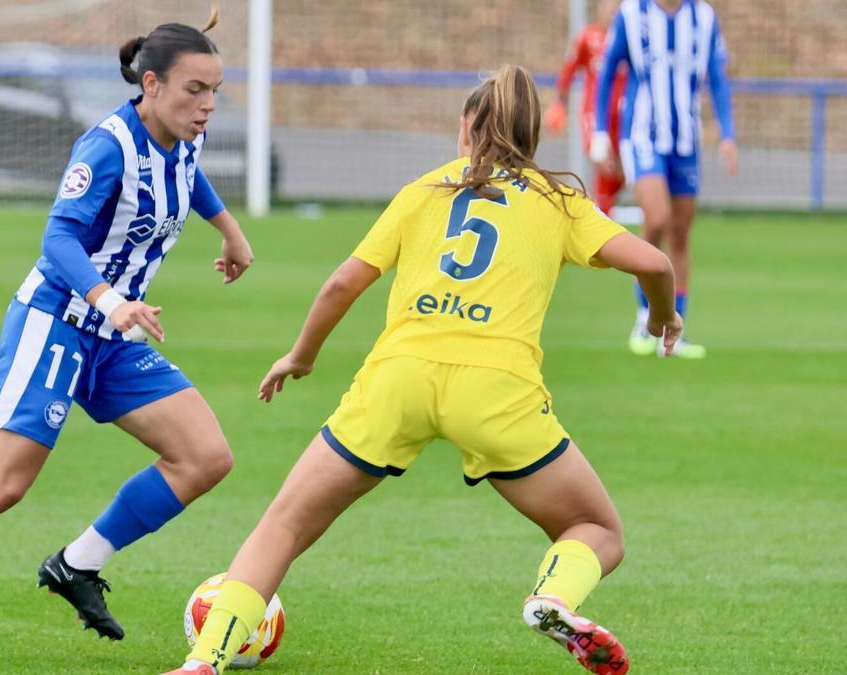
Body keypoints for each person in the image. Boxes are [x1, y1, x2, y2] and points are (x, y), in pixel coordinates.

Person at [165, 64, 681, 675]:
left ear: (466, 128)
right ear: (533, 135)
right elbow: (654, 262)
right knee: (596, 528)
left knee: (284, 524)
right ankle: (552, 598)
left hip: (398, 379)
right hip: (496, 390)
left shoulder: (424, 190)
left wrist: (300, 356)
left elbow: (342, 283)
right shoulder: (557, 199)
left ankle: (205, 661)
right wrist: (659, 318)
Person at [0, 7, 256, 662]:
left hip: (113, 333)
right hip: (57, 321)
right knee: (2, 483)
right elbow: (57, 236)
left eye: (215, 92)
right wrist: (108, 299)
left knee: (205, 457)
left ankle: (76, 564)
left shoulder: (183, 135)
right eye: (194, 90)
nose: (207, 106)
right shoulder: (106, 145)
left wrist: (228, 227)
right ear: (150, 85)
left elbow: (187, 175)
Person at [590, 0, 737, 358]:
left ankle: (675, 330)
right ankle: (646, 314)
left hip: (685, 141)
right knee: (656, 219)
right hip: (642, 135)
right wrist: (599, 131)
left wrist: (728, 133)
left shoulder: (703, 17)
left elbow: (717, 77)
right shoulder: (632, 13)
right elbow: (608, 71)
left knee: (681, 233)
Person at [544, 0, 628, 215]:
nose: (611, 10)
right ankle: (601, 217)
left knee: (619, 175)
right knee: (603, 161)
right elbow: (567, 72)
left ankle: (603, 211)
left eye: (616, 5)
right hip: (595, 115)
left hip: (625, 118)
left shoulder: (629, 39)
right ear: (600, 8)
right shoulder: (589, 38)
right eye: (607, 5)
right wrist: (559, 105)